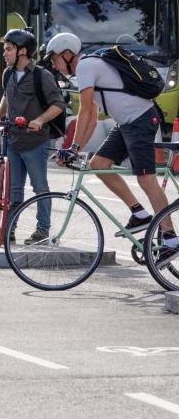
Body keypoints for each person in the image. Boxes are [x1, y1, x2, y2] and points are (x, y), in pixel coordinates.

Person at [48, 32, 176, 258]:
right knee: (99, 164)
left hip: (141, 119)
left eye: (54, 59)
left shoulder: (85, 66)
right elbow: (93, 118)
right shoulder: (88, 68)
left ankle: (171, 239)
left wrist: (73, 148)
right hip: (126, 123)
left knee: (146, 178)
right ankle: (139, 213)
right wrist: (75, 149)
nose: (53, 64)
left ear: (67, 54)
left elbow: (85, 111)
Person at [0, 29, 65, 245]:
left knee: (39, 187)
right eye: (5, 49)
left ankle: (42, 231)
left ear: (23, 51)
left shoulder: (41, 76)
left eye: (8, 49)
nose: (5, 53)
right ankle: (8, 230)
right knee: (12, 189)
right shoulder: (8, 73)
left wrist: (40, 120)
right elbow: (7, 96)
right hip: (12, 139)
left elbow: (58, 105)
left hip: (35, 142)